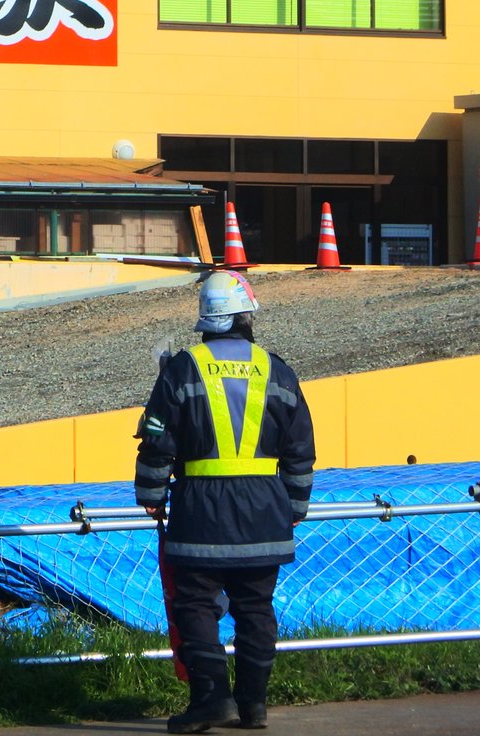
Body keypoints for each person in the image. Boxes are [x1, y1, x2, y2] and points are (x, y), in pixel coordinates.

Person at [134, 270, 315, 733]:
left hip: (200, 514)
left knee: (195, 605)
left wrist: (151, 494)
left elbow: (158, 440)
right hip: (263, 515)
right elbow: (299, 448)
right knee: (256, 609)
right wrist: (292, 507)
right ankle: (252, 704)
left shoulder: (181, 368)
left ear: (207, 320)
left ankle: (212, 699)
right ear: (246, 315)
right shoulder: (277, 369)